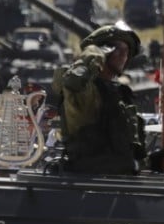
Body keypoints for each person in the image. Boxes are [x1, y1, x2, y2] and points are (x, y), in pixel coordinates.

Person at [53, 22, 147, 175]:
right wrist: (92, 54)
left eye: (127, 50)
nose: (124, 55)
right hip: (91, 183)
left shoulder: (118, 93)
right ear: (103, 53)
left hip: (121, 182)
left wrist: (153, 163)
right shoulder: (88, 92)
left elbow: (128, 150)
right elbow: (73, 83)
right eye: (117, 49)